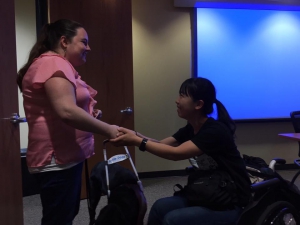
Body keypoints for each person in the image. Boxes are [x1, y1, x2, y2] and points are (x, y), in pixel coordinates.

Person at [16, 19, 119, 225]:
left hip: (65, 158)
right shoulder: (53, 63)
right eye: (84, 42)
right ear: (64, 41)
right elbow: (66, 111)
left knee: (64, 214)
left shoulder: (56, 64)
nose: (88, 48)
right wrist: (109, 130)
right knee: (58, 219)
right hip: (57, 160)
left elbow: (63, 107)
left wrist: (89, 114)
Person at [110, 77, 252, 225]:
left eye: (183, 96)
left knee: (173, 220)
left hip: (229, 201)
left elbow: (175, 154)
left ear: (198, 104)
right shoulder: (192, 127)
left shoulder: (214, 131)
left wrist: (136, 140)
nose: (177, 100)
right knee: (159, 207)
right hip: (207, 193)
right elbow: (162, 144)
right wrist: (134, 135)